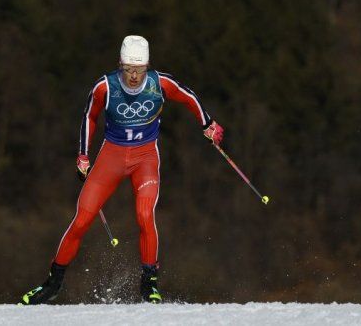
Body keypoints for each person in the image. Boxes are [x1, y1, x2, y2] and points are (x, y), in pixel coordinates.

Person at [20, 35, 224, 304]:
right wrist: (83, 155)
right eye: (128, 69)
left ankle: (149, 283)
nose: (134, 76)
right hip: (112, 157)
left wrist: (207, 123)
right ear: (120, 65)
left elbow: (189, 97)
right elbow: (89, 116)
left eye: (139, 69)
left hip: (145, 157)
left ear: (148, 66)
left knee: (145, 215)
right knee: (82, 219)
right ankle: (52, 284)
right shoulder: (105, 87)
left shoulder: (160, 83)